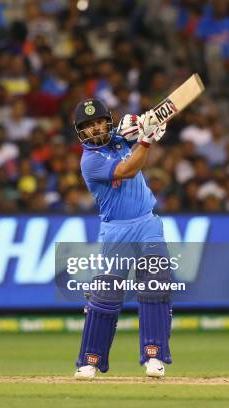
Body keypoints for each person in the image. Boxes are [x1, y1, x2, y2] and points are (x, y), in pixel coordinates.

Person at [72, 98, 172, 379]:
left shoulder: (119, 138)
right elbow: (128, 170)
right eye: (87, 126)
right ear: (81, 132)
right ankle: (89, 361)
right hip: (116, 230)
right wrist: (146, 140)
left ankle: (153, 357)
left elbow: (134, 126)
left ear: (107, 121)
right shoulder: (89, 161)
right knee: (105, 297)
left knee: (155, 287)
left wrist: (141, 125)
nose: (94, 129)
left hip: (146, 222)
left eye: (98, 122)